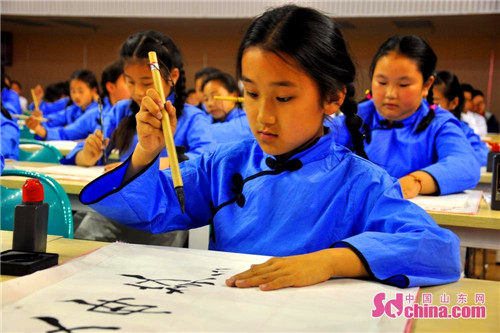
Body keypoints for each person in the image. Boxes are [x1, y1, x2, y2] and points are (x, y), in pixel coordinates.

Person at [80, 5, 460, 291]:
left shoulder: (361, 183)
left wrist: (331, 261)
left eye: (283, 97)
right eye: (252, 93)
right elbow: (148, 211)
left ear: (332, 98)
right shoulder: (225, 165)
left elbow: (438, 249)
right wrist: (146, 152)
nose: (262, 116)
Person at [333, 35, 480, 198]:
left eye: (403, 85)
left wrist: (415, 182)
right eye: (382, 82)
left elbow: (465, 165)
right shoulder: (356, 116)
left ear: (426, 85)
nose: (390, 94)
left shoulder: (439, 123)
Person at [64, 31, 215, 169]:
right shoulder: (121, 111)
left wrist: (146, 165)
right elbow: (83, 152)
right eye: (130, 81)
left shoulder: (193, 118)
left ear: (173, 76)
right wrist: (87, 155)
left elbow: (207, 158)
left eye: (147, 82)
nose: (137, 92)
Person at [432, 71, 488, 166]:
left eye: (435, 104)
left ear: (454, 103)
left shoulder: (461, 129)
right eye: (423, 102)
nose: (427, 108)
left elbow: (482, 155)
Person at [25, 69, 99, 138]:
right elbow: (52, 119)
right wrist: (39, 121)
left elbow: (69, 132)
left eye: (81, 91)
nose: (76, 96)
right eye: (73, 91)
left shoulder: (97, 112)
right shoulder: (73, 109)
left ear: (94, 91)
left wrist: (41, 129)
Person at [201, 70, 252, 143]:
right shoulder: (207, 120)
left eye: (215, 97)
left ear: (234, 96)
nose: (210, 104)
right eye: (206, 99)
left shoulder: (246, 122)